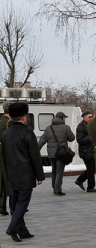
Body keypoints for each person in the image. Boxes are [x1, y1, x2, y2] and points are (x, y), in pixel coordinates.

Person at [1, 102, 45, 242]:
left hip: (12, 173)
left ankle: (22, 231)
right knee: (22, 203)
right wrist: (40, 175)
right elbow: (35, 156)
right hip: (25, 173)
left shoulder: (6, 134)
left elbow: (4, 156)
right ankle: (12, 228)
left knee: (15, 203)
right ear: (23, 117)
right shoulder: (27, 133)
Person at [38, 111, 75, 196]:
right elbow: (72, 138)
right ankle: (58, 189)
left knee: (54, 170)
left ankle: (54, 188)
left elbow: (42, 141)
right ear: (62, 118)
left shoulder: (48, 128)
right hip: (61, 153)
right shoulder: (66, 127)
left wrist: (37, 150)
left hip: (51, 154)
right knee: (59, 171)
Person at [75, 110, 96, 192]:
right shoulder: (81, 127)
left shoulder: (91, 125)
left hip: (92, 151)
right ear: (84, 118)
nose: (91, 118)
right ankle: (90, 187)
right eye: (89, 117)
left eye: (92, 117)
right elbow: (80, 140)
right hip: (85, 152)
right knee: (91, 169)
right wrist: (91, 136)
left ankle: (80, 180)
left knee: (92, 168)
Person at [0, 101, 12, 215]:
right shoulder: (8, 124)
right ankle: (12, 204)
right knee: (7, 181)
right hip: (6, 156)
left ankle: (2, 206)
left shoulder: (2, 122)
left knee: (3, 181)